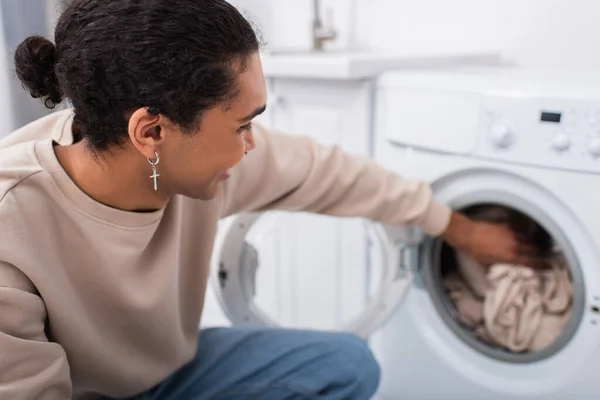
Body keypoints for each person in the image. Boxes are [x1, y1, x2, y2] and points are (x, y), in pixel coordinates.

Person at [0, 1, 543, 399]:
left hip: (166, 375)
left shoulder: (192, 160)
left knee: (347, 364)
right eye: (242, 125)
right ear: (152, 131)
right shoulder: (12, 226)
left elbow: (329, 172)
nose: (252, 144)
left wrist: (456, 226)